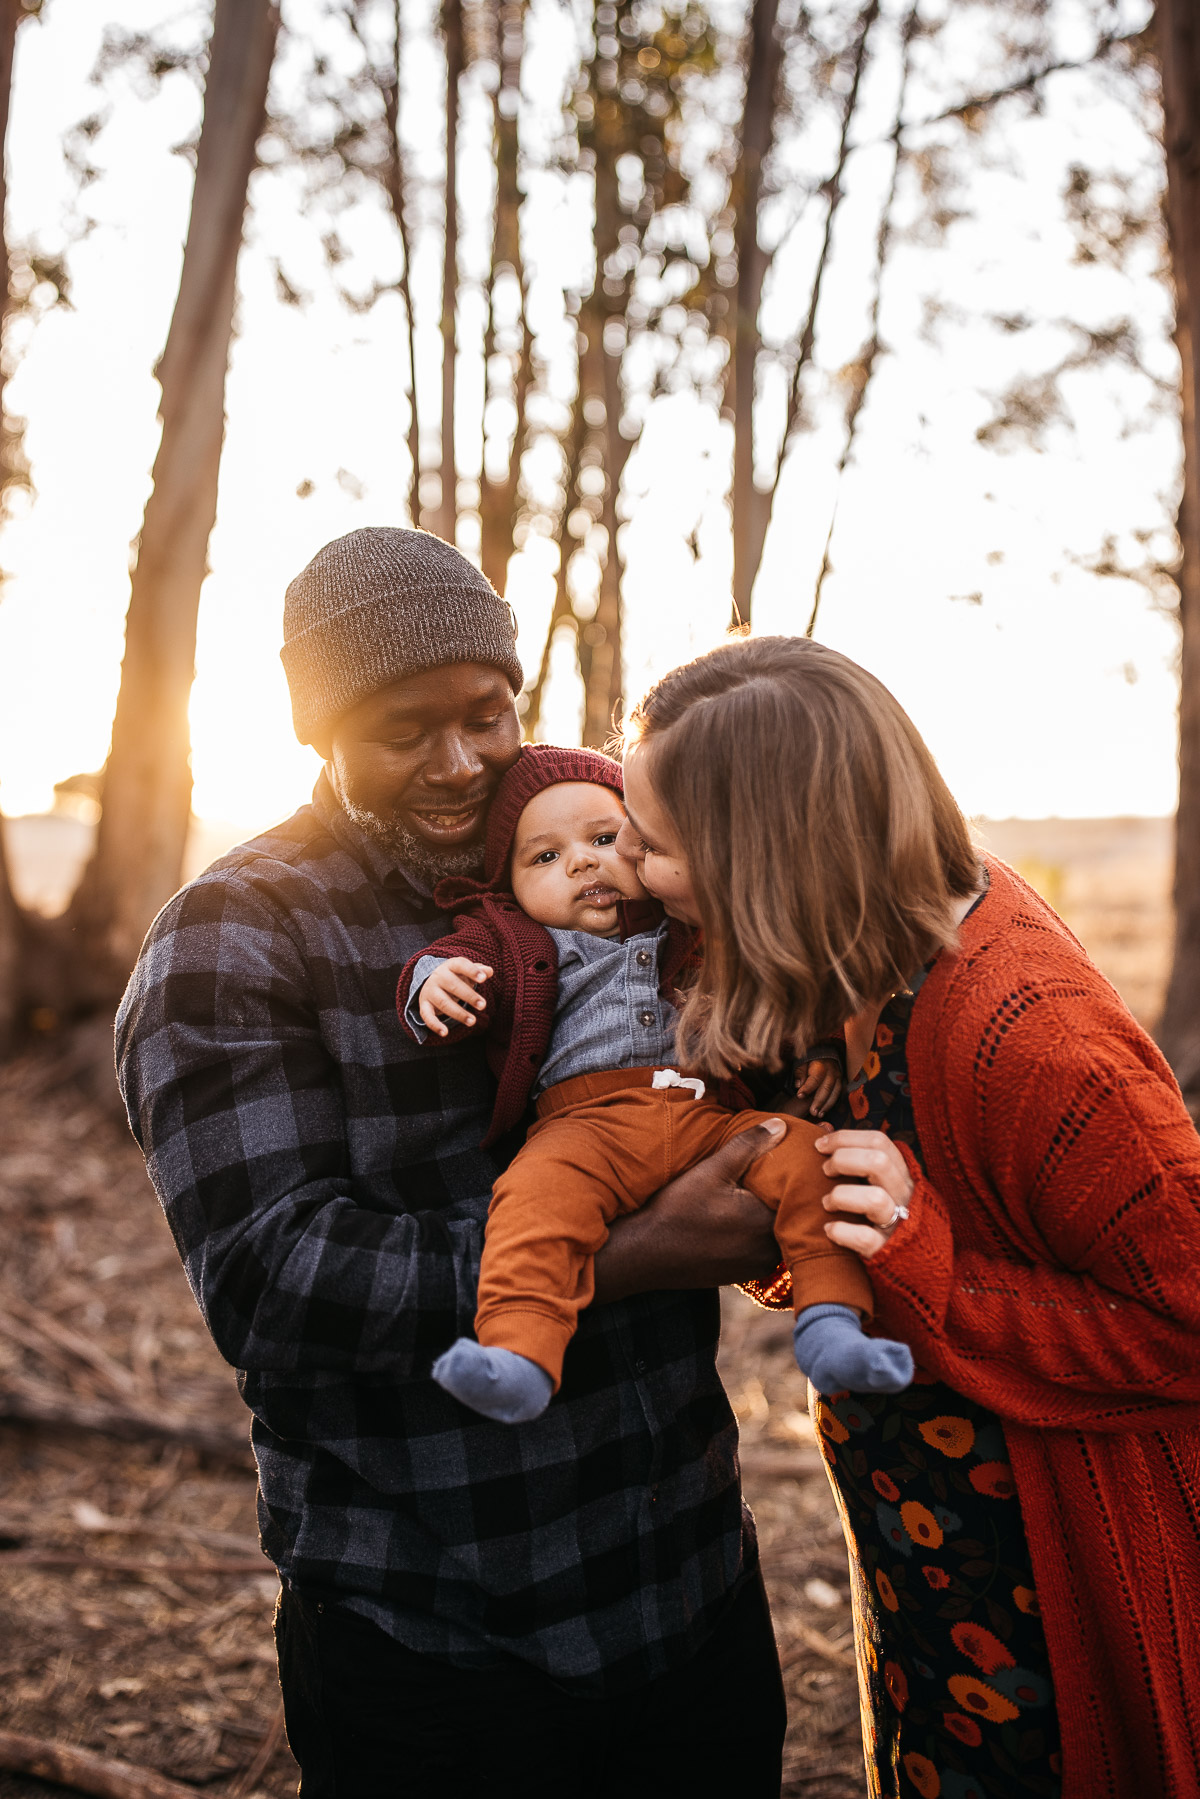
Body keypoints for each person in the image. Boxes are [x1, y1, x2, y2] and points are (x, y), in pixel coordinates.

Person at [114, 527, 791, 1799]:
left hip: (685, 1575)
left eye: (488, 711)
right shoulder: (238, 936)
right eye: (400, 729)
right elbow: (272, 1279)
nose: (460, 761)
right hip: (436, 1630)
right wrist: (630, 1252)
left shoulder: (604, 858)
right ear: (318, 731)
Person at [614, 632, 1200, 1799]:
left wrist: (928, 1265)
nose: (626, 861)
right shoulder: (846, 943)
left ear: (761, 858)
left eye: (653, 842)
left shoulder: (1030, 1039)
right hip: (930, 1558)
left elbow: (1185, 1320)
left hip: (1055, 1576)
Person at [395, 740, 909, 1422]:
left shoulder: (685, 925)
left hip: (702, 1115)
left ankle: (832, 1321)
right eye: (544, 856)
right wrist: (434, 980)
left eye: (604, 837)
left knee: (805, 1154)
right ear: (508, 886)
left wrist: (813, 1047)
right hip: (584, 1130)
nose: (581, 861)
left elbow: (764, 984)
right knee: (530, 1203)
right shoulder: (514, 936)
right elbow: (452, 959)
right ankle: (518, 1354)